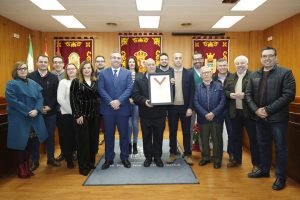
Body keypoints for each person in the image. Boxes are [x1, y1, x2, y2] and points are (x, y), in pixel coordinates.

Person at [245, 46, 296, 190]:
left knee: (280, 148)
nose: (267, 58)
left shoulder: (285, 73)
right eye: (264, 56)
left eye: (270, 56)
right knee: (263, 145)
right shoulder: (254, 74)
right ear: (261, 58)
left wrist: (267, 110)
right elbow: (248, 95)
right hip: (259, 118)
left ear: (276, 57)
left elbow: (288, 95)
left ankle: (280, 177)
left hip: (278, 119)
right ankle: (264, 170)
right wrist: (256, 110)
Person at [5, 62, 48, 178]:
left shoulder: (33, 83)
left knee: (30, 144)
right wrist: (29, 111)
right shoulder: (11, 84)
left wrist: (37, 110)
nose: (23, 70)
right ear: (16, 71)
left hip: (34, 118)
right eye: (20, 69)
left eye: (25, 68)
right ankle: (20, 168)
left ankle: (27, 166)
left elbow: (40, 98)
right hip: (20, 118)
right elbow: (12, 101)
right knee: (20, 144)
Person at [224, 55, 260, 173]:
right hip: (234, 113)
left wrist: (246, 95)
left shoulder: (254, 76)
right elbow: (225, 91)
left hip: (249, 113)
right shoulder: (230, 77)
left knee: (253, 139)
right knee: (235, 138)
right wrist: (230, 95)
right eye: (238, 63)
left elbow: (258, 93)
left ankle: (256, 164)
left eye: (242, 63)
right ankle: (236, 160)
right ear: (235, 65)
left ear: (247, 64)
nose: (240, 65)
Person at [98, 51, 133, 170]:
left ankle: (124, 157)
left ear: (121, 60)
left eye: (118, 58)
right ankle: (109, 158)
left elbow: (129, 89)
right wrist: (111, 102)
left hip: (123, 109)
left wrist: (119, 101)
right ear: (110, 59)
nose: (116, 60)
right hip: (108, 110)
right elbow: (101, 89)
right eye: (114, 58)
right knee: (108, 135)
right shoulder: (103, 73)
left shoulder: (127, 73)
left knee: (124, 135)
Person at [132, 58, 167, 167]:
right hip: (145, 114)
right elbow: (135, 95)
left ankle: (157, 157)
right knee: (146, 137)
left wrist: (171, 84)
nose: (151, 66)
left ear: (155, 66)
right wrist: (144, 101)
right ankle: (148, 158)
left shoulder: (163, 79)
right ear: (145, 67)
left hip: (159, 114)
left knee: (158, 137)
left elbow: (168, 94)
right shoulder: (139, 79)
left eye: (153, 64)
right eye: (149, 65)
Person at [28, 54, 60, 171]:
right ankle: (35, 160)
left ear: (48, 64)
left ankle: (50, 158)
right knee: (36, 136)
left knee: (50, 136)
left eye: (45, 62)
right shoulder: (30, 77)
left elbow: (57, 95)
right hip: (36, 112)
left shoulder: (53, 77)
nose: (43, 64)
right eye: (40, 61)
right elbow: (29, 95)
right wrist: (38, 108)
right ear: (37, 63)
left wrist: (50, 107)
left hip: (50, 113)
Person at [70, 60, 99, 176]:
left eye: (89, 68)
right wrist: (78, 115)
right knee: (83, 142)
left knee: (93, 140)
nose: (87, 70)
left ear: (92, 70)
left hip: (94, 115)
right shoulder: (76, 82)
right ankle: (83, 166)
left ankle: (91, 162)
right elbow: (73, 99)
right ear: (81, 70)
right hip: (82, 116)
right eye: (84, 68)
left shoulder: (95, 81)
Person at [194, 66, 226, 169]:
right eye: (204, 73)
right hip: (203, 118)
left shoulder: (219, 85)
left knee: (217, 139)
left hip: (216, 118)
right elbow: (196, 102)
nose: (206, 74)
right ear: (201, 75)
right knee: (204, 139)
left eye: (208, 72)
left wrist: (213, 113)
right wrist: (205, 114)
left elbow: (223, 101)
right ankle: (206, 157)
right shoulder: (198, 87)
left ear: (211, 73)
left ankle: (217, 159)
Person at [166, 52, 194, 165]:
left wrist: (190, 107)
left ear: (182, 59)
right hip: (172, 107)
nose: (178, 60)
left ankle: (187, 154)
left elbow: (193, 92)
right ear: (173, 60)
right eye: (176, 58)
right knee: (172, 131)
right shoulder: (168, 74)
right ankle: (172, 153)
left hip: (185, 107)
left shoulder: (189, 73)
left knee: (186, 132)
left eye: (180, 58)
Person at [57, 63, 78, 169]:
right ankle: (69, 159)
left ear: (76, 70)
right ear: (66, 71)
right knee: (67, 138)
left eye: (73, 69)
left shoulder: (80, 81)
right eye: (68, 69)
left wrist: (79, 113)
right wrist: (73, 112)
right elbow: (60, 99)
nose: (71, 71)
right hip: (66, 115)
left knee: (76, 137)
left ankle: (76, 154)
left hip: (79, 115)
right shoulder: (63, 82)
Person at [212, 58, 233, 161]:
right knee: (217, 135)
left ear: (227, 65)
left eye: (224, 65)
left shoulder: (234, 77)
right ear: (217, 67)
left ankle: (232, 154)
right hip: (217, 111)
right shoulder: (213, 78)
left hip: (231, 110)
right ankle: (217, 155)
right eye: (220, 66)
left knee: (231, 133)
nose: (222, 67)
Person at [126, 56, 143, 154]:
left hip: (137, 103)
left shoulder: (140, 75)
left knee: (135, 124)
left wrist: (135, 99)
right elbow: (123, 88)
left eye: (133, 62)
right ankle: (129, 144)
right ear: (127, 63)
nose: (131, 63)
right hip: (126, 102)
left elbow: (141, 89)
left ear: (135, 64)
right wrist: (128, 98)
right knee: (128, 125)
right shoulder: (124, 74)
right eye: (130, 62)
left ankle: (135, 144)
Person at [51, 55, 65, 162]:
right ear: (52, 64)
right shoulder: (50, 75)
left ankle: (74, 151)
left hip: (69, 107)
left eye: (60, 62)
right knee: (61, 132)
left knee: (72, 131)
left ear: (63, 64)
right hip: (55, 108)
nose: (58, 64)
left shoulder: (69, 73)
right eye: (55, 62)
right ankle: (63, 152)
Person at [190, 52, 204, 152]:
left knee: (204, 129)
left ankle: (204, 151)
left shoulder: (207, 71)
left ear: (203, 60)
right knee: (190, 128)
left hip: (205, 106)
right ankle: (189, 150)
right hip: (192, 106)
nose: (197, 61)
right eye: (195, 59)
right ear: (193, 61)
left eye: (199, 59)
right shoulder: (189, 72)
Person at [95, 55, 106, 145]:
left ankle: (107, 139)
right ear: (95, 63)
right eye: (98, 61)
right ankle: (96, 141)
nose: (100, 62)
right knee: (95, 124)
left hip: (106, 103)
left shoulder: (109, 73)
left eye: (102, 61)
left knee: (107, 125)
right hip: (95, 104)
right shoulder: (90, 74)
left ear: (104, 63)